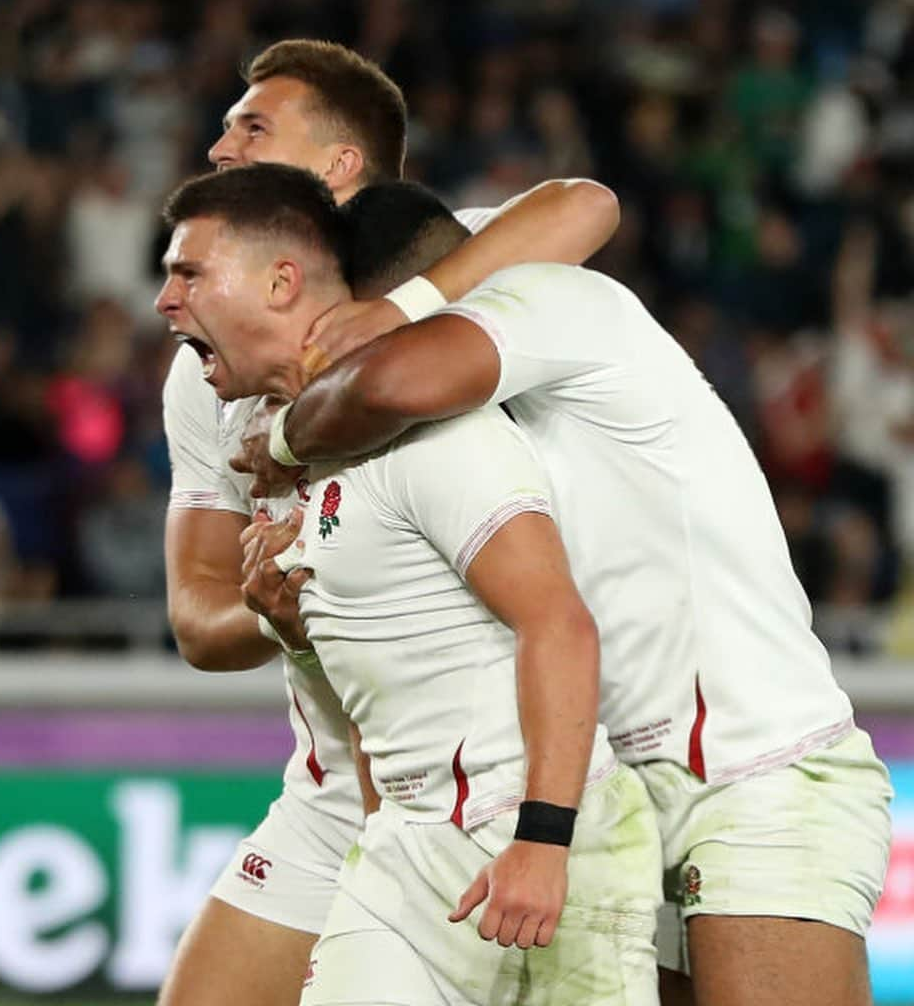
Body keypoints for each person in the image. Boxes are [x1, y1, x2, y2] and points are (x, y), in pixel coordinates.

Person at [233, 179, 894, 1006]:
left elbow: (394, 378)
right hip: (619, 789)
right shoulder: (461, 434)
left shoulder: (556, 299)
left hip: (751, 771)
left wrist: (286, 436)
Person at [160, 38, 622, 1006]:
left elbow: (589, 203)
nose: (220, 146)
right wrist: (281, 614)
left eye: (252, 126)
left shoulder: (448, 259)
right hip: (339, 784)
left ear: (337, 165)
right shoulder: (206, 367)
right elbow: (199, 619)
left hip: (515, 767)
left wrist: (405, 308)